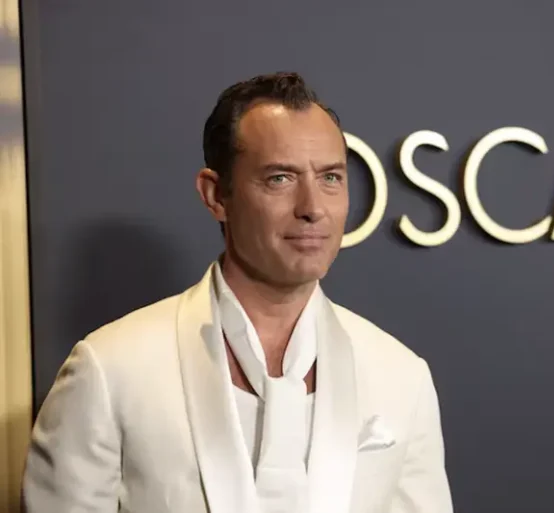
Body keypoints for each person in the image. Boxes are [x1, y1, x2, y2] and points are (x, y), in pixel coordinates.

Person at [21, 72, 453, 513]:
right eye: (280, 178)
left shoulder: (402, 375)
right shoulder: (111, 368)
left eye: (330, 178)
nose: (312, 208)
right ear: (215, 195)